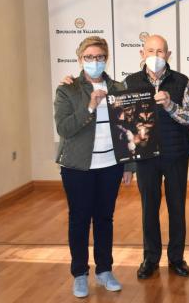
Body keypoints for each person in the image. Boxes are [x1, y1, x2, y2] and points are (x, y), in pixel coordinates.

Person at [54, 36, 133, 298]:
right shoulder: (68, 90)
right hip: (77, 167)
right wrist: (90, 107)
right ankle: (79, 274)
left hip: (110, 165)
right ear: (80, 59)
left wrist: (128, 165)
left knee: (104, 219)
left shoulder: (119, 87)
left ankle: (104, 270)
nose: (95, 62)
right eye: (89, 57)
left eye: (100, 57)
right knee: (79, 220)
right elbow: (64, 128)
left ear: (106, 59)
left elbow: (128, 130)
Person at [128, 35, 189, 279]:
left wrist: (170, 106)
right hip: (146, 156)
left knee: (176, 207)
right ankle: (150, 259)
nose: (155, 56)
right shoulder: (130, 83)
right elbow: (124, 124)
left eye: (160, 52)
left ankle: (177, 258)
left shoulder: (181, 81)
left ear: (168, 55)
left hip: (176, 154)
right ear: (142, 54)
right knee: (149, 208)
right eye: (150, 51)